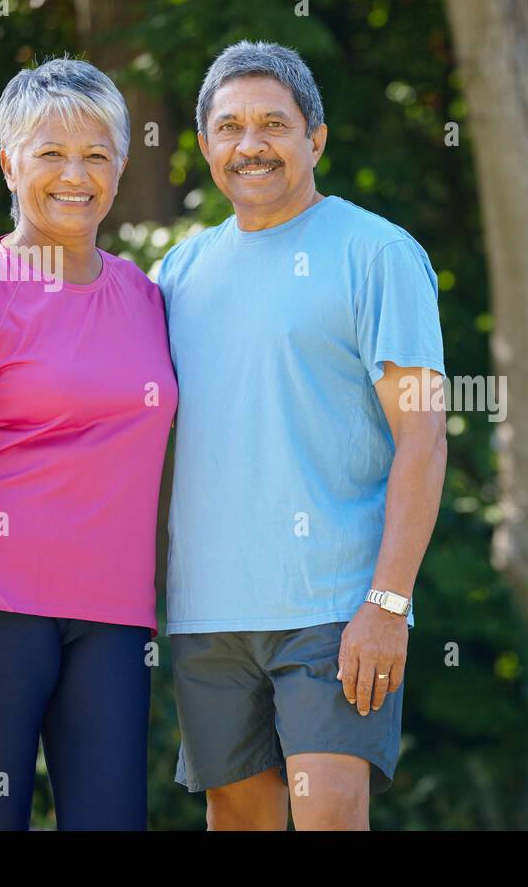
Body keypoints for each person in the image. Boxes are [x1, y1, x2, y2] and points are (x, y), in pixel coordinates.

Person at [159, 40, 447, 830]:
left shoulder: (379, 254)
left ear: (315, 138)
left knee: (329, 816)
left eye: (273, 124)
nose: (250, 144)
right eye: (229, 128)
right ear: (208, 147)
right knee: (240, 824)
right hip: (207, 613)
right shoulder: (175, 276)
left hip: (335, 606)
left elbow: (424, 436)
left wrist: (387, 603)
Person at [0, 57, 178, 830]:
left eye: (96, 153)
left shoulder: (146, 297)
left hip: (115, 621)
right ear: (9, 163)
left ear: (120, 164)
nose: (74, 175)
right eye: (50, 152)